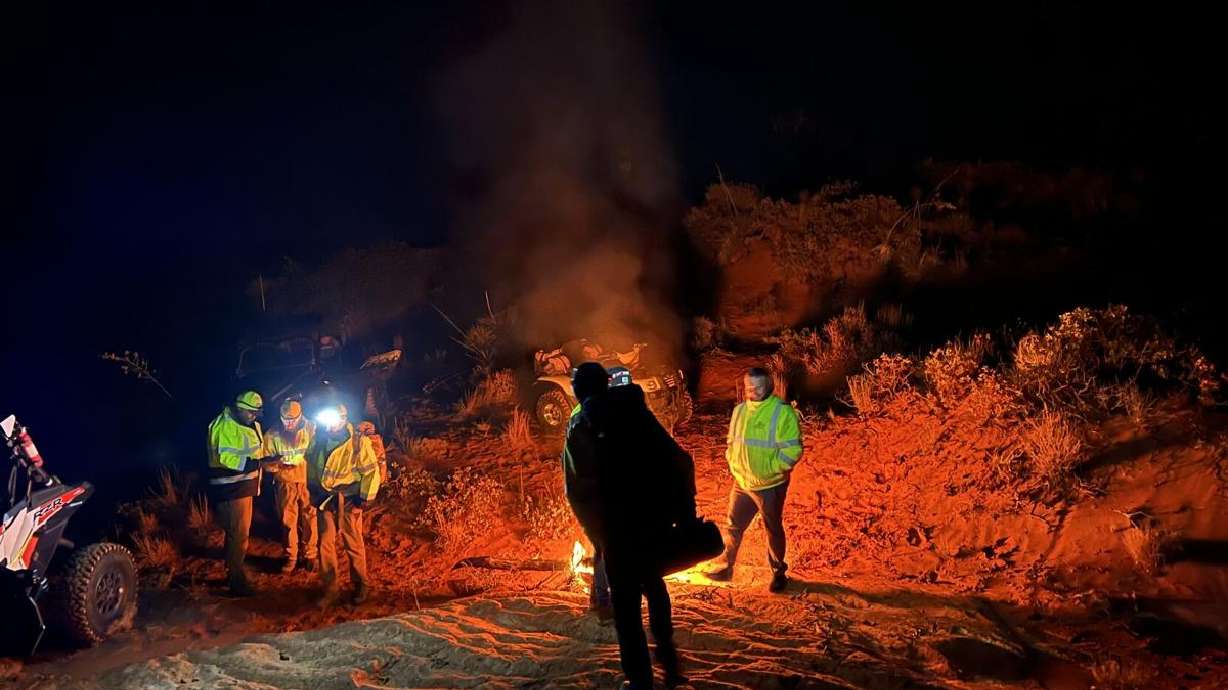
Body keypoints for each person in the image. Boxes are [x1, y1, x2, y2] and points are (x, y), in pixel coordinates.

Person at [563, 362, 695, 690]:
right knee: (656, 588)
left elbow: (578, 491)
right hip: (653, 523)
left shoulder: (582, 424)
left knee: (626, 610)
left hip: (618, 533)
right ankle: (671, 666)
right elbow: (679, 460)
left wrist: (600, 539)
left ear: (580, 391)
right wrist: (683, 515)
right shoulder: (638, 413)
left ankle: (639, 681)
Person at [707, 367, 803, 593]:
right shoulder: (739, 410)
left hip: (769, 485)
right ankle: (726, 566)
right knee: (733, 526)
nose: (753, 391)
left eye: (758, 387)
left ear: (769, 386)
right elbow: (732, 442)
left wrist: (771, 471)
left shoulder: (782, 412)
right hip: (742, 483)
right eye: (749, 387)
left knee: (772, 528)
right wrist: (733, 463)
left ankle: (779, 572)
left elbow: (793, 451)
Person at [306, 403, 382, 607]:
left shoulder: (357, 442)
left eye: (334, 420)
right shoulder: (319, 439)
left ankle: (361, 584)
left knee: (353, 542)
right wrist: (312, 489)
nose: (330, 425)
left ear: (343, 419)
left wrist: (364, 499)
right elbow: (312, 465)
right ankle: (330, 589)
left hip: (349, 498)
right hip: (326, 497)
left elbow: (371, 471)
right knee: (325, 544)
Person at [207, 390, 279, 596]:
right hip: (231, 489)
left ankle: (233, 572)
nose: (254, 416)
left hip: (245, 486)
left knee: (237, 533)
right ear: (239, 409)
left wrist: (268, 461)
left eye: (257, 412)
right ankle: (236, 580)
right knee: (238, 534)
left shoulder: (250, 424)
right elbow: (226, 459)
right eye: (250, 412)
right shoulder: (223, 426)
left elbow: (256, 451)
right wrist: (259, 463)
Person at [263, 400, 318, 574]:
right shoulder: (272, 434)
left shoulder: (312, 428)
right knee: (288, 520)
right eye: (285, 420)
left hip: (307, 480)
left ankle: (310, 555)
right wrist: (277, 465)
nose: (289, 423)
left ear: (300, 416)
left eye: (293, 419)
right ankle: (291, 556)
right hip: (285, 481)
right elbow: (264, 462)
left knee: (310, 517)